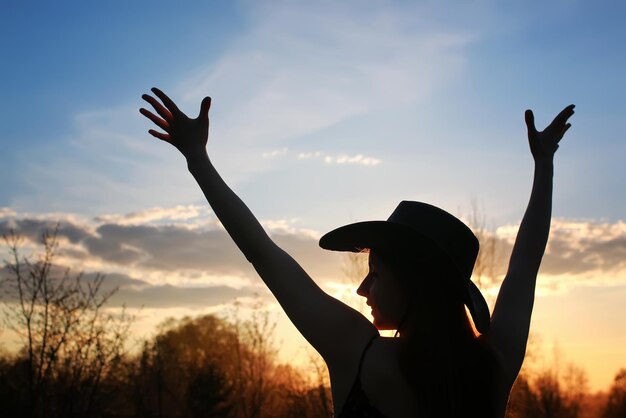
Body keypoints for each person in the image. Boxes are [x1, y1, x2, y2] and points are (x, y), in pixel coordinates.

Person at [140, 88, 574, 417]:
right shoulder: (493, 365)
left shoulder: (357, 351)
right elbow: (524, 268)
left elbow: (264, 254)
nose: (363, 288)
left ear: (415, 284)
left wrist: (197, 159)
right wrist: (544, 166)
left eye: (377, 274)